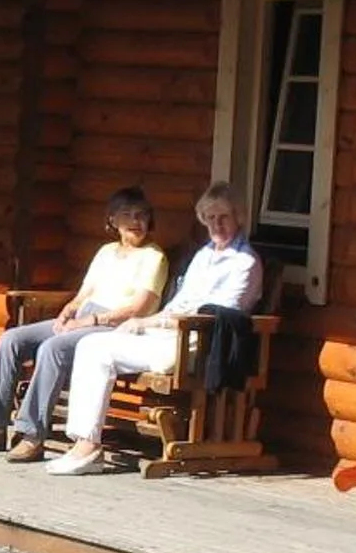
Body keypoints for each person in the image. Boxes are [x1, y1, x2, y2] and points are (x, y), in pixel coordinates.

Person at [48, 181, 264, 476]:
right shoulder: (204, 256)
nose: (217, 224)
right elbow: (181, 303)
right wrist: (144, 324)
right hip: (168, 333)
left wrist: (147, 321)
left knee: (98, 350)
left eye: (223, 217)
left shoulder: (245, 262)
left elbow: (218, 316)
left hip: (197, 345)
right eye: (210, 218)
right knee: (90, 345)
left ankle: (88, 447)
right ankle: (85, 443)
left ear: (239, 216)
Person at [0, 186, 169, 463]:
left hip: (115, 325)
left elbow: (137, 308)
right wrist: (69, 311)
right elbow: (85, 294)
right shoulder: (106, 252)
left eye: (142, 215)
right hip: (86, 315)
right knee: (12, 339)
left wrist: (90, 320)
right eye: (127, 215)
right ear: (112, 221)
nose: (136, 222)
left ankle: (32, 435)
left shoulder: (154, 258)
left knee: (53, 348)